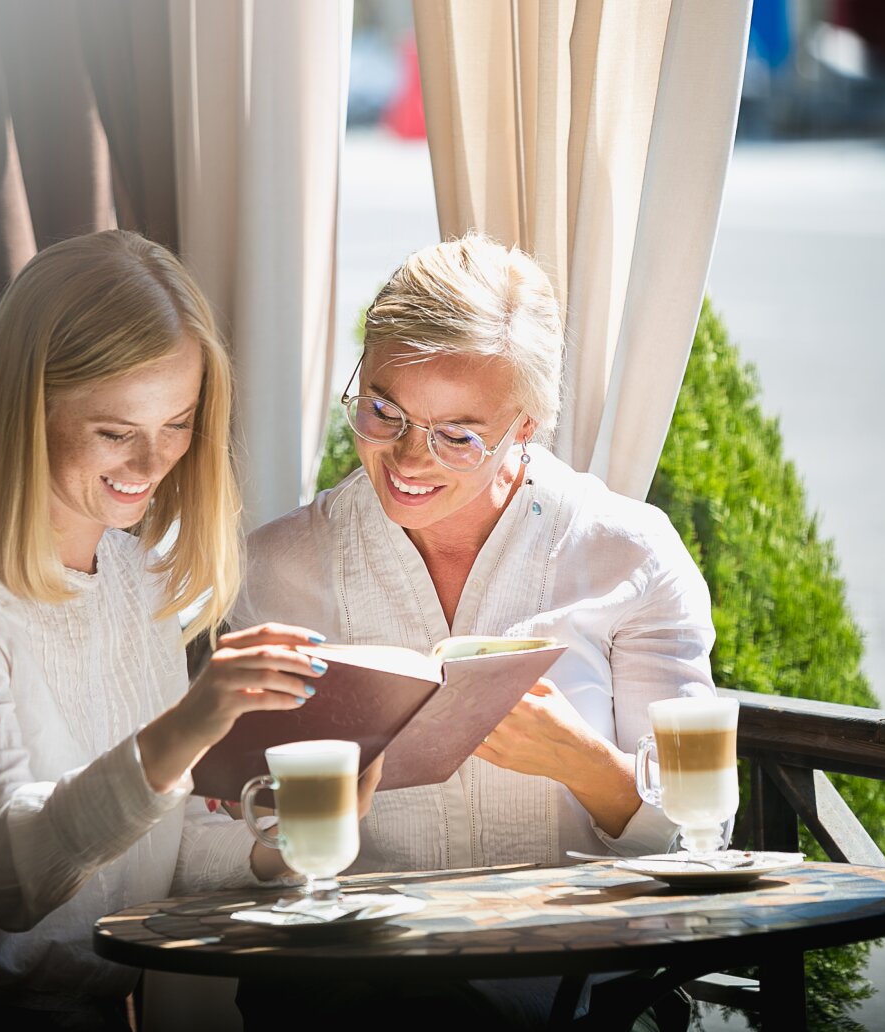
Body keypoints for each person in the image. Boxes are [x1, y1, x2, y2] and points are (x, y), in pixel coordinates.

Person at [0, 230, 369, 1028]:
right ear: (25, 406)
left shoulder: (134, 576)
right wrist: (189, 725)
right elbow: (4, 877)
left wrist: (282, 842)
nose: (152, 460)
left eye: (177, 423)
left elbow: (149, 852)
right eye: (115, 430)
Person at [227, 233, 716, 1029]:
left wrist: (589, 766)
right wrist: (291, 829)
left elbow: (704, 838)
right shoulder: (278, 569)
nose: (408, 458)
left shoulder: (627, 553)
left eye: (459, 434)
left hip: (578, 999)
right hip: (347, 999)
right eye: (384, 410)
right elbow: (228, 849)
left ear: (525, 428)